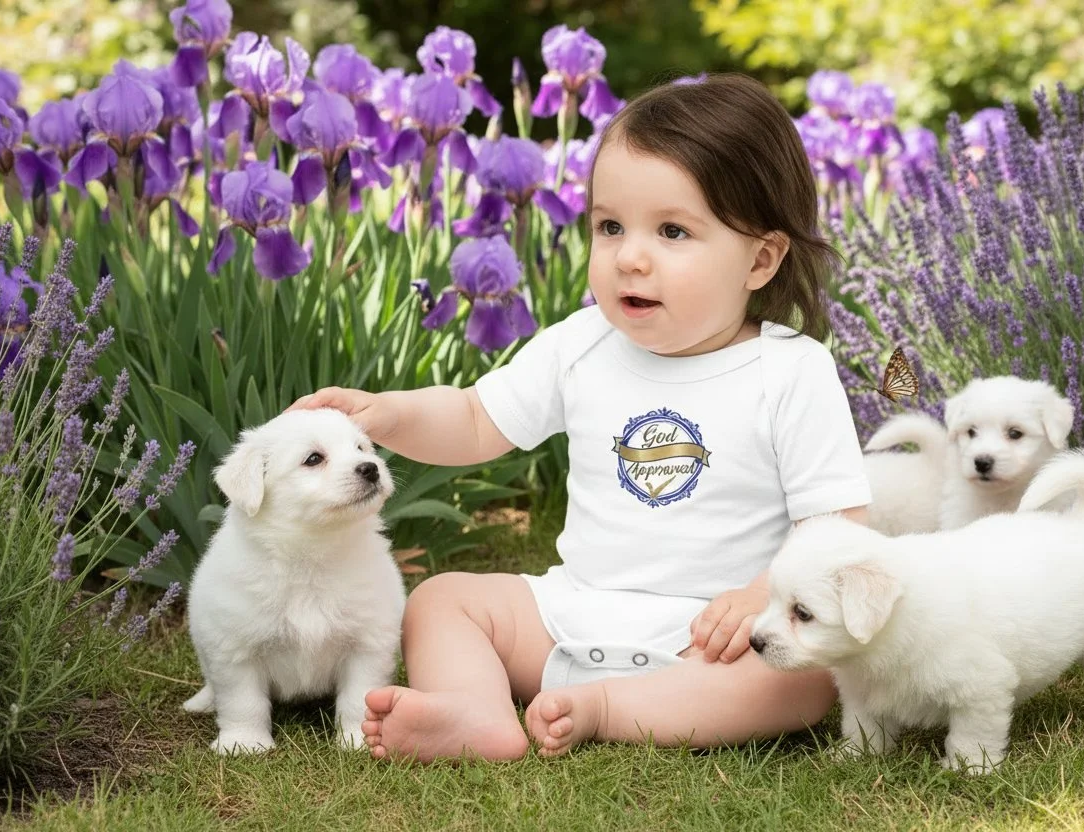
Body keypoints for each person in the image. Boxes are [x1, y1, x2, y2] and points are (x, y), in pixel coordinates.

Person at [288, 73, 872, 762]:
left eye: (674, 231)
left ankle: (605, 708)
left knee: (797, 689)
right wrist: (383, 415)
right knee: (443, 601)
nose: (630, 256)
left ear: (761, 259)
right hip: (572, 613)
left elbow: (837, 525)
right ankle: (476, 717)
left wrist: (759, 595)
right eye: (610, 226)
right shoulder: (582, 343)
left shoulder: (789, 370)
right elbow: (477, 418)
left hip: (710, 640)